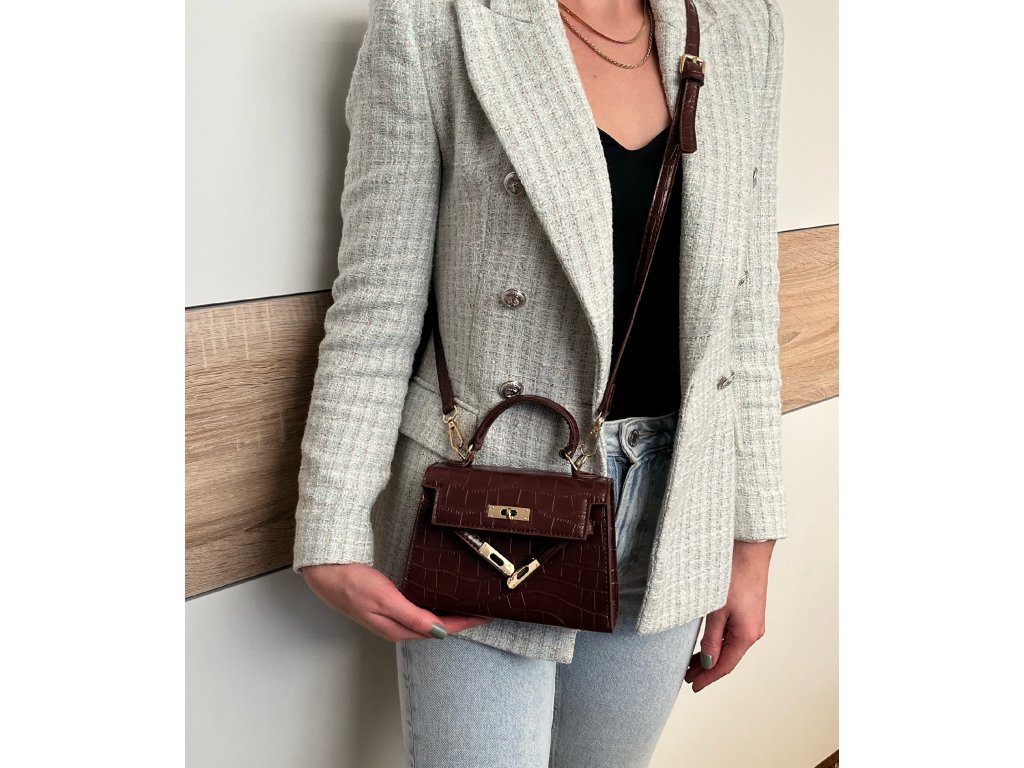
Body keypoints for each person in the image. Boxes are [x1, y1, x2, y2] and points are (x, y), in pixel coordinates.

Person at [294, 0, 787, 765]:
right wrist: (330, 531)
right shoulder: (434, 20)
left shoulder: (742, 24)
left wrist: (752, 545)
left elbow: (746, 311)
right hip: (488, 507)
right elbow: (378, 300)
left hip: (677, 500)